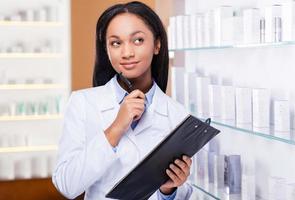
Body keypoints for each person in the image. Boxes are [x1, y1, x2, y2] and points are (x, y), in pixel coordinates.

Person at [52, 1, 193, 199]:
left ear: (157, 44)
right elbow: (66, 184)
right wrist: (116, 128)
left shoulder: (177, 114)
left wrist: (169, 190)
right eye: (116, 43)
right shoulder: (82, 103)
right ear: (107, 50)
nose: (127, 53)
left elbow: (187, 190)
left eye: (138, 40)